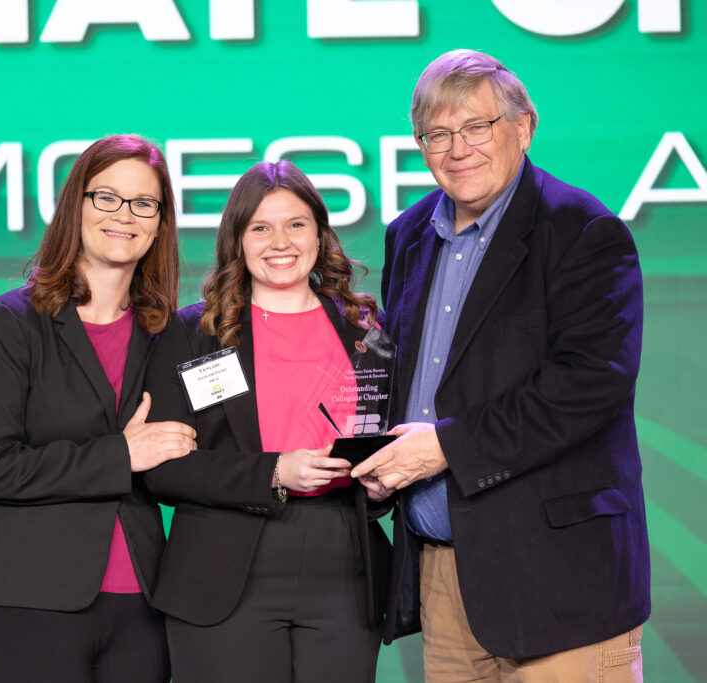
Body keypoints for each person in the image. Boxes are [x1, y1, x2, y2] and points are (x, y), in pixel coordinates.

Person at [351, 48, 649, 680]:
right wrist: (383, 461)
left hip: (562, 579)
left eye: (476, 127)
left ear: (522, 127)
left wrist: (444, 450)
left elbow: (588, 385)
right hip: (446, 574)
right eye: (437, 134)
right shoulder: (408, 235)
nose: (457, 148)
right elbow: (407, 381)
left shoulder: (581, 230)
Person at [0, 134, 194, 683]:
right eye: (106, 197)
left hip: (142, 606)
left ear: (160, 221)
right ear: (75, 206)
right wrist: (120, 456)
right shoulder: (9, 324)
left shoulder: (166, 333)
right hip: (26, 600)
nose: (124, 215)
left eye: (143, 203)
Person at [142, 160, 391, 683]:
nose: (281, 241)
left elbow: (386, 437)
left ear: (320, 236)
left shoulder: (364, 328)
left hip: (345, 567)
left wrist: (383, 481)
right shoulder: (195, 331)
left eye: (296, 224)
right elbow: (163, 468)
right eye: (260, 227)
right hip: (224, 571)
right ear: (237, 239)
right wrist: (274, 471)